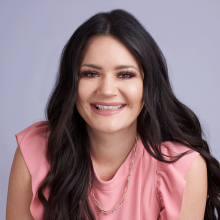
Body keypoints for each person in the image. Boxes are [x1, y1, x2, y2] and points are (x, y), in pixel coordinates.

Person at [6, 9, 220, 220]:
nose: (107, 90)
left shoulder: (182, 171)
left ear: (149, 86)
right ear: (72, 83)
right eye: (91, 73)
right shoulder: (34, 153)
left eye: (125, 74)